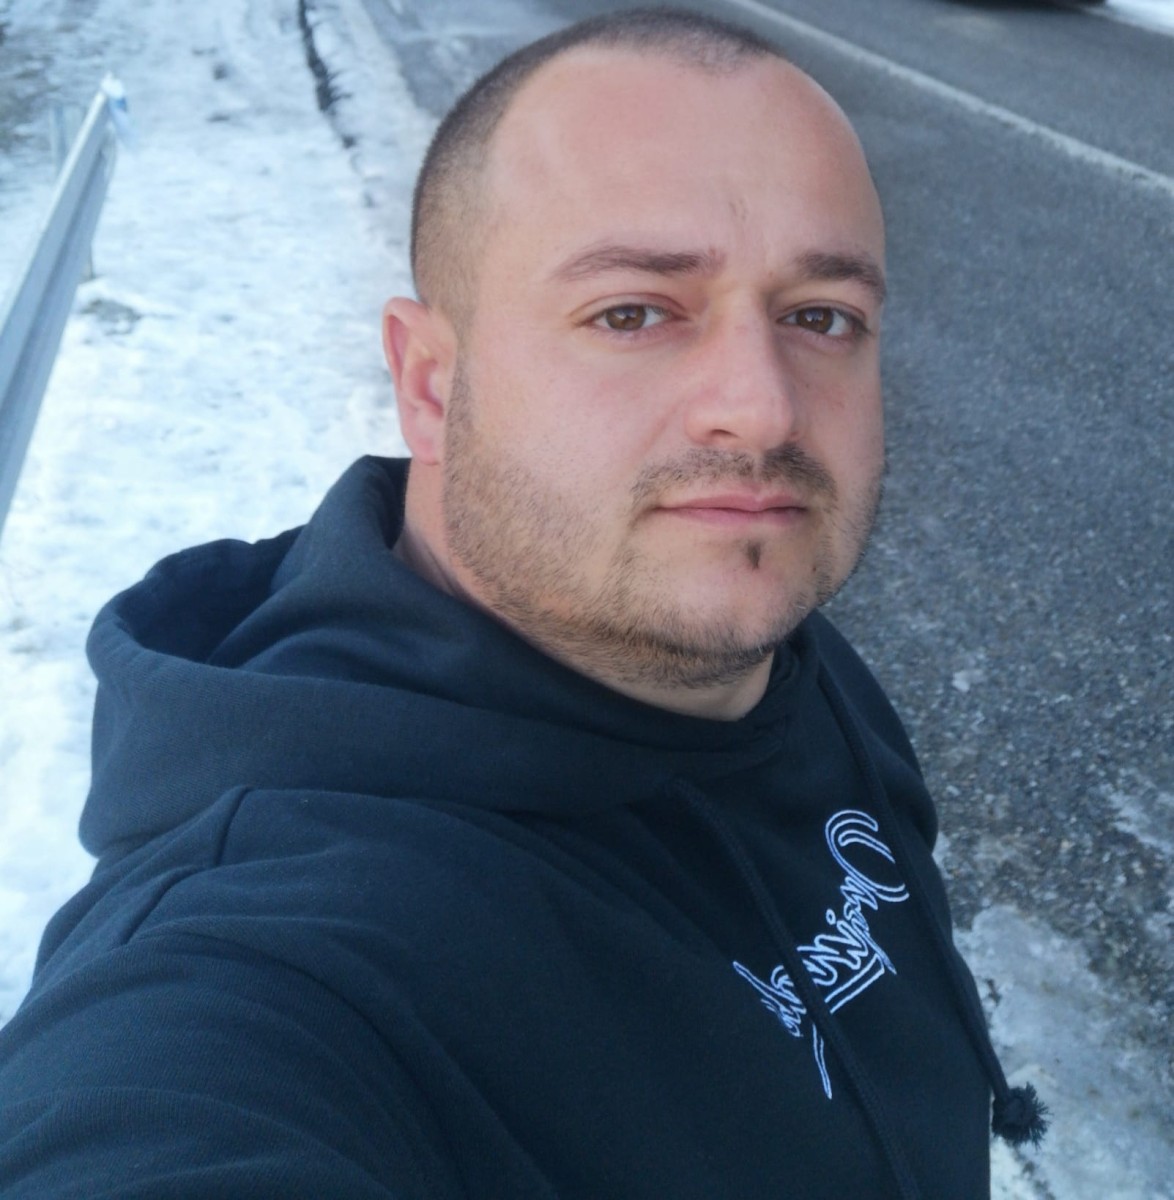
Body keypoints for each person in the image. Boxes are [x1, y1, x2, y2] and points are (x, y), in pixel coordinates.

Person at [0, 8, 1045, 1197]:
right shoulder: (269, 967)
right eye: (632, 313)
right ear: (429, 384)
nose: (761, 408)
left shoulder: (764, 645)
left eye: (820, 317)